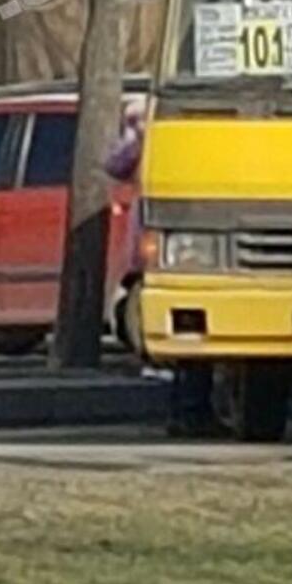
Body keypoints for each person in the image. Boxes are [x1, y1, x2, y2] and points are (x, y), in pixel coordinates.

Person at [104, 102, 216, 435]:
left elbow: (117, 165)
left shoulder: (177, 143)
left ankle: (188, 408)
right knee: (186, 337)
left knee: (189, 338)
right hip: (171, 247)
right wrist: (138, 134)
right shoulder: (157, 145)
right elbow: (115, 164)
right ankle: (189, 409)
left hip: (179, 245)